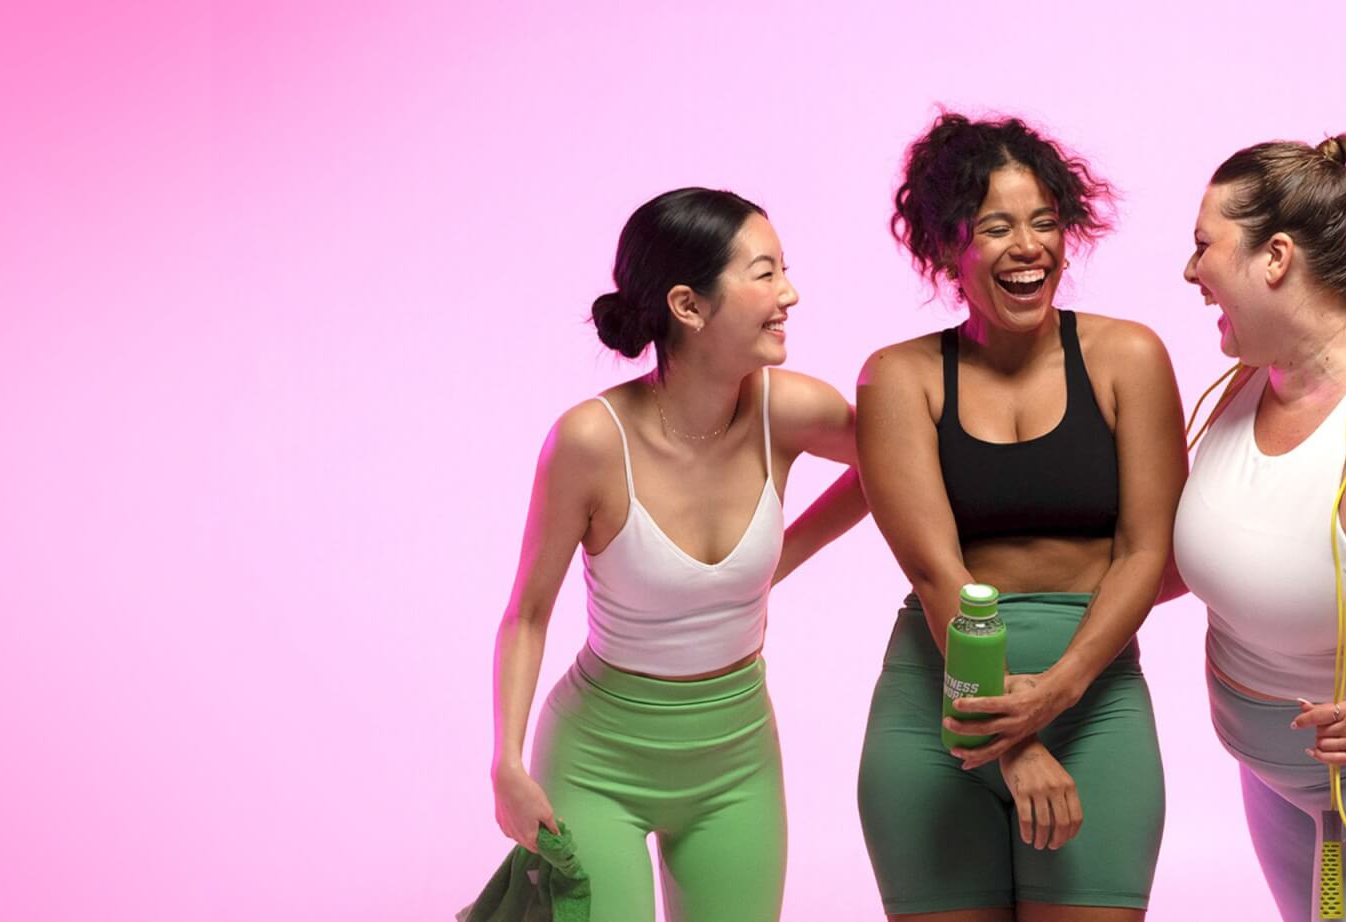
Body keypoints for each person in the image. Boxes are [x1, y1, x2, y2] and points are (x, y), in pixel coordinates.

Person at [489, 186, 866, 921]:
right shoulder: (590, 441)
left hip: (736, 758)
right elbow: (528, 614)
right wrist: (505, 761)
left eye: (783, 269)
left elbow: (894, 473)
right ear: (689, 307)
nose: (789, 293)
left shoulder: (786, 409)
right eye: (764, 273)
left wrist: (778, 561)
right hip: (598, 762)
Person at [853, 113, 1183, 921]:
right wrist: (1014, 736)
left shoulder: (1128, 357)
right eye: (997, 227)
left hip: (1094, 704)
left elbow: (1147, 551)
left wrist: (1056, 696)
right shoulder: (900, 378)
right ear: (946, 249)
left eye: (1045, 222)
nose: (1029, 246)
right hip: (938, 707)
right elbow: (938, 574)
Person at [1168, 133, 1346, 921]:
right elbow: (1199, 556)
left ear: (1277, 258)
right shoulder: (1245, 384)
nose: (1191, 272)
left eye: (1204, 247)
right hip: (1275, 780)